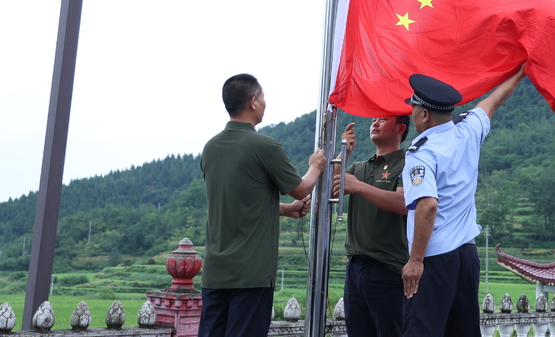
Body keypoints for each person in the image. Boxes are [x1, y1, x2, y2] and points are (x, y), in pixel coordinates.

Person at [401, 65, 526, 337]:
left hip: (434, 257)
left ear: (423, 115)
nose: (411, 115)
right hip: (467, 255)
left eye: (413, 110)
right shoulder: (467, 131)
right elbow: (494, 100)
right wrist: (522, 71)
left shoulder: (420, 153)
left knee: (420, 330)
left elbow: (428, 205)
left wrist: (416, 260)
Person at [199, 73, 326, 337]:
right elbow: (301, 188)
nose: (265, 102)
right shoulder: (265, 146)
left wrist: (285, 209)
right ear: (253, 102)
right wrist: (315, 167)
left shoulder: (210, 148)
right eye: (263, 97)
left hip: (215, 273)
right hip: (251, 274)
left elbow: (235, 201)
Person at [332, 116, 411, 337]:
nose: (375, 123)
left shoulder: (408, 162)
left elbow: (403, 203)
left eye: (383, 119)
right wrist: (345, 153)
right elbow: (329, 188)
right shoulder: (358, 167)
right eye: (373, 120)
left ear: (400, 128)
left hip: (388, 268)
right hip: (355, 267)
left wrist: (359, 187)